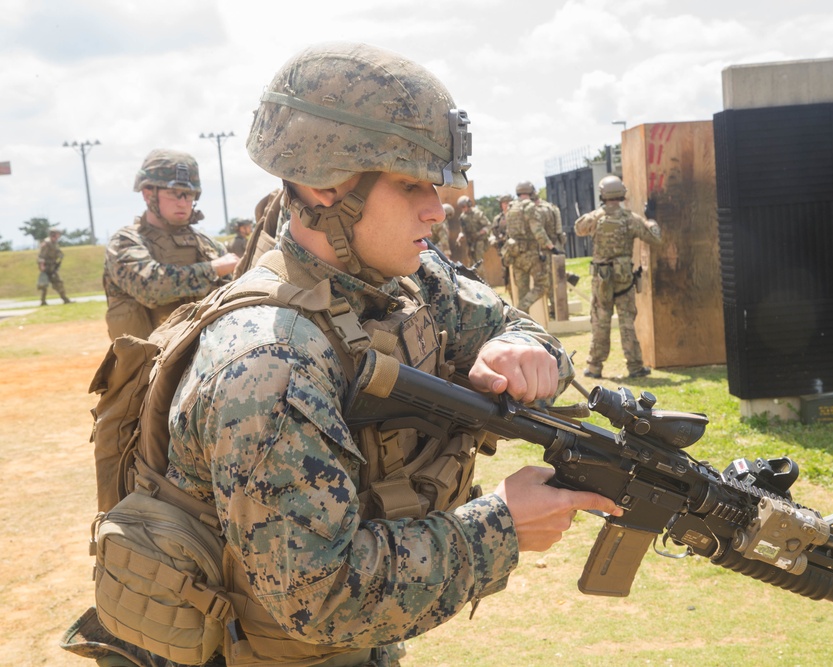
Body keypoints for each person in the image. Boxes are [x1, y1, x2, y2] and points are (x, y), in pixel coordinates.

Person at [65, 42, 621, 667]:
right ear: (324, 186)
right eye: (411, 185)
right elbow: (316, 598)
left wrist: (521, 345)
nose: (437, 210)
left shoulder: (402, 278)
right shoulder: (269, 363)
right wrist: (502, 526)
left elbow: (508, 320)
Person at [102, 149, 240, 340]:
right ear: (147, 193)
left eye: (189, 195)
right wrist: (213, 269)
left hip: (203, 357)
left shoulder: (207, 245)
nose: (183, 203)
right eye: (173, 193)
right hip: (147, 363)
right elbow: (152, 287)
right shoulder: (125, 242)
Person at [574, 174, 663, 379]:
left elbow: (578, 229)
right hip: (624, 280)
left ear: (602, 194)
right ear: (622, 193)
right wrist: (650, 220)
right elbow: (655, 239)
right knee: (627, 322)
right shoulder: (631, 219)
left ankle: (594, 367)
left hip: (601, 279)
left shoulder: (596, 217)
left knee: (600, 322)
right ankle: (635, 367)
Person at [502, 180, 554, 313]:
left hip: (515, 254)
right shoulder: (529, 206)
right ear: (530, 192)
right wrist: (549, 245)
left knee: (522, 291)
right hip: (530, 254)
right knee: (543, 285)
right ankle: (521, 309)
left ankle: (523, 323)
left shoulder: (511, 207)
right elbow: (537, 230)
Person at [533, 192, 565, 317]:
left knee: (548, 280)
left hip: (544, 248)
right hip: (555, 246)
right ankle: (555, 308)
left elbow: (538, 232)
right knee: (555, 279)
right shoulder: (552, 207)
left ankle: (553, 310)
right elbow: (558, 230)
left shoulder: (537, 211)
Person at [36, 227, 72, 305]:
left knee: (58, 283)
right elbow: (41, 256)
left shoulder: (54, 243)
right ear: (54, 234)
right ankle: (43, 301)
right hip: (46, 267)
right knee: (44, 285)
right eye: (58, 234)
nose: (59, 235)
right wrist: (42, 266)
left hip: (52, 267)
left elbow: (57, 253)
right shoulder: (47, 243)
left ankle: (65, 299)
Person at [456, 194, 490, 265]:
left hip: (479, 241)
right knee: (471, 264)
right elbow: (462, 231)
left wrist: (479, 233)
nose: (463, 209)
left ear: (469, 204)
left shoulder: (477, 214)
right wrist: (460, 236)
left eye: (464, 206)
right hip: (470, 242)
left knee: (479, 263)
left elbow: (488, 226)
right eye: (461, 207)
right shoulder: (462, 217)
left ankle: (481, 276)